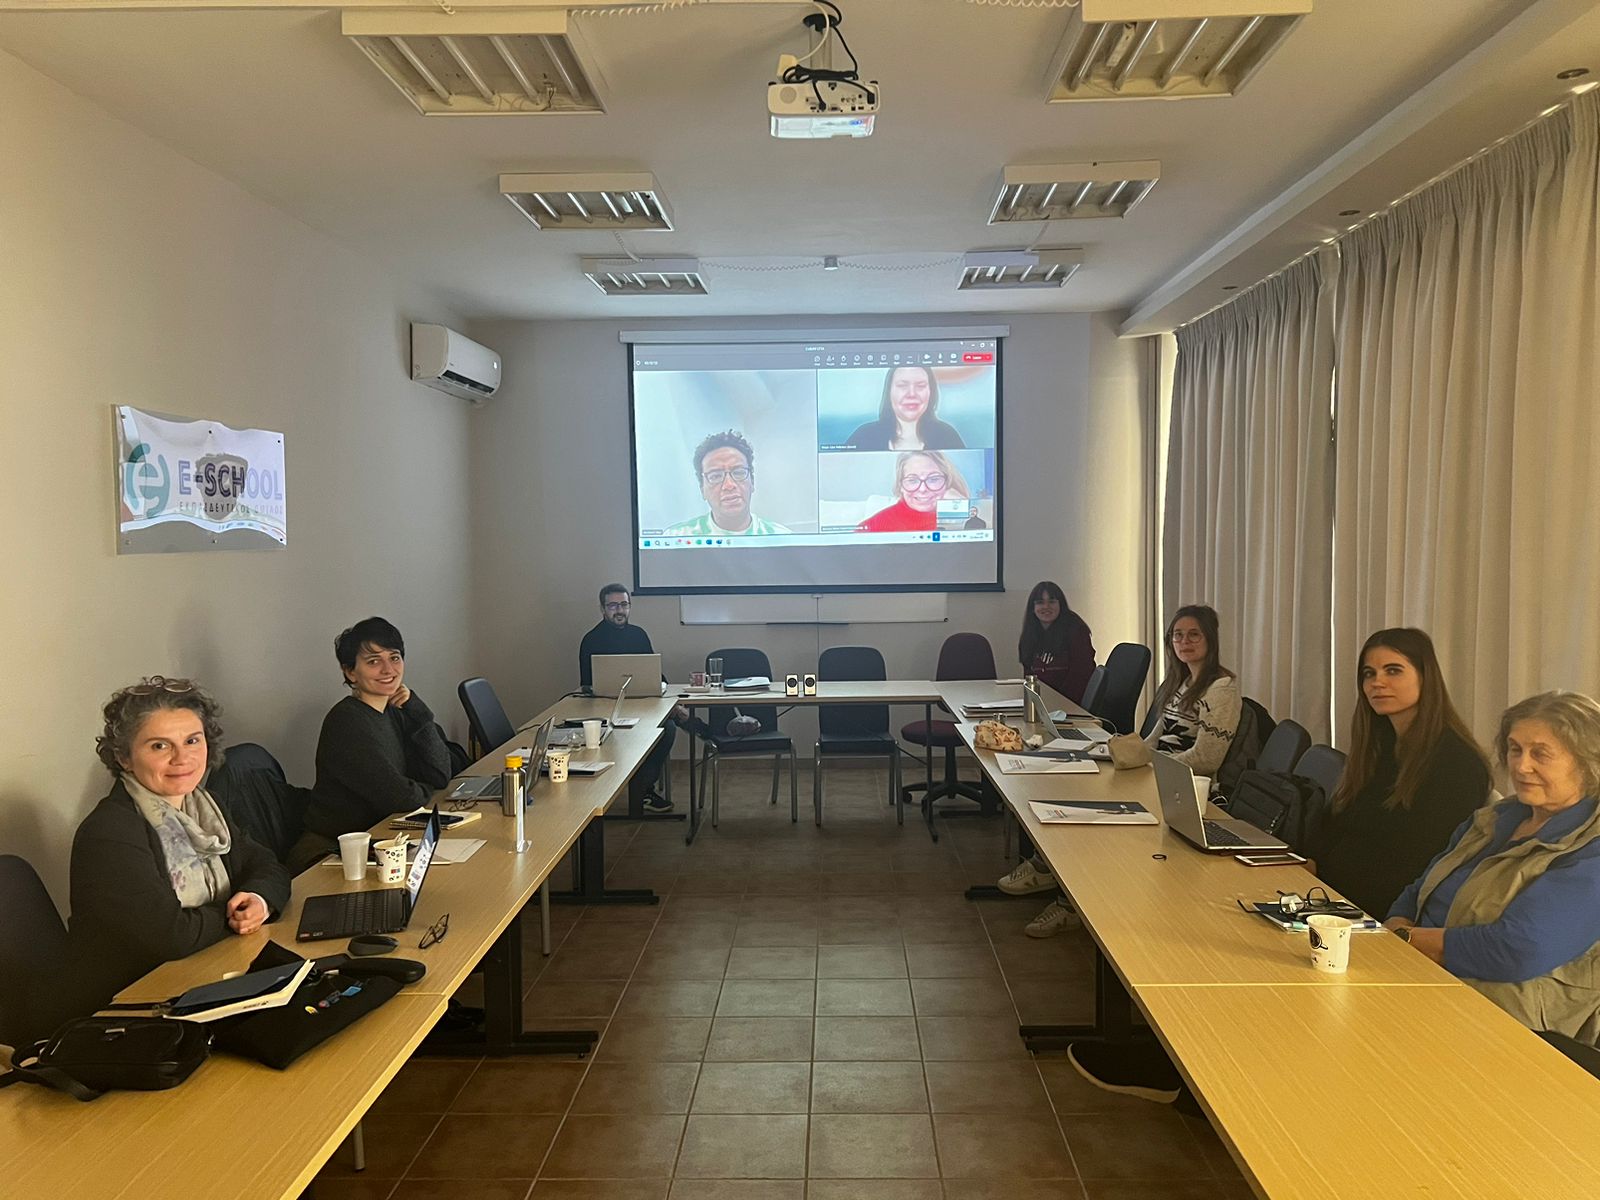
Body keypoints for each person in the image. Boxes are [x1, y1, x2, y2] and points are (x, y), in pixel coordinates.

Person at [1003, 605, 1241, 941]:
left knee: (1101, 828)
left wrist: (1149, 765)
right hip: (1159, 777)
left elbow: (1206, 759)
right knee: (1084, 800)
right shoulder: (1181, 683)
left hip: (1185, 791)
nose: (1184, 642)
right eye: (1178, 635)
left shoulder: (1222, 689)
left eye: (1193, 635)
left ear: (1210, 640)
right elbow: (1153, 740)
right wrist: (1123, 755)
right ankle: (1050, 872)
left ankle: (1069, 905)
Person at [1388, 690, 1600, 1044]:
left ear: (1587, 762)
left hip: (1504, 1026)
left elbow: (1518, 950)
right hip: (1420, 981)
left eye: (1540, 754)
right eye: (1515, 749)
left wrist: (1403, 941)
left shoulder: (1591, 848)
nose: (1521, 766)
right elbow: (1420, 889)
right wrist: (1397, 930)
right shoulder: (1498, 817)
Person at [68, 677, 291, 1013]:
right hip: (137, 1003)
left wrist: (259, 899)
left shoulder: (203, 806)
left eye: (192, 740)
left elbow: (267, 864)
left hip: (210, 971)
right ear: (124, 757)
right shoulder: (110, 833)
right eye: (160, 746)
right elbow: (172, 937)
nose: (182, 757)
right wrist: (235, 911)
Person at [1304, 628, 1492, 917]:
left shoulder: (1456, 763)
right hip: (1328, 895)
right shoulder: (1380, 744)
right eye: (1369, 674)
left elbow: (1422, 862)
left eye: (1393, 671)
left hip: (1377, 913)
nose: (1377, 683)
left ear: (1425, 677)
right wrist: (1311, 865)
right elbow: (1339, 823)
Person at [302, 617, 453, 849]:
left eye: (394, 658)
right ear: (350, 672)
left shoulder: (395, 712)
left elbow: (440, 773)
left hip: (383, 837)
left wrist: (417, 711)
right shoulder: (347, 722)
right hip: (336, 849)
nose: (388, 669)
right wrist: (425, 788)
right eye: (373, 661)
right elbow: (401, 798)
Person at [578, 582, 683, 814]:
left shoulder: (638, 634)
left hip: (643, 707)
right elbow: (586, 684)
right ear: (603, 609)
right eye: (613, 605)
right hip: (606, 711)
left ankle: (643, 791)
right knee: (664, 727)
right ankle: (631, 791)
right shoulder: (591, 640)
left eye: (624, 604)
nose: (619, 610)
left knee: (668, 728)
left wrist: (668, 697)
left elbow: (655, 675)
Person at [663, 430, 791, 537]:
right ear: (702, 489)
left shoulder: (782, 538)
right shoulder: (676, 538)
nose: (729, 485)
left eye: (738, 473)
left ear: (752, 482)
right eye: (715, 476)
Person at [845, 366, 966, 451]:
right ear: (889, 392)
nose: (911, 394)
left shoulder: (947, 436)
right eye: (902, 386)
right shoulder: (864, 436)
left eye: (920, 386)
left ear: (931, 391)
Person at [1017, 581, 1096, 704]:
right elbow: (1029, 677)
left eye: (1052, 601)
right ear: (1033, 608)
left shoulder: (1076, 630)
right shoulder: (1030, 634)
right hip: (1043, 704)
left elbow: (1080, 676)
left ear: (1061, 605)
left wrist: (1058, 703)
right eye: (1040, 602)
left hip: (1071, 704)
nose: (1046, 606)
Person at [855, 450, 969, 533]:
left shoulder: (963, 516)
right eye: (912, 480)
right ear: (900, 485)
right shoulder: (872, 527)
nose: (923, 489)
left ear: (948, 482)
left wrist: (962, 510)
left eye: (933, 479)